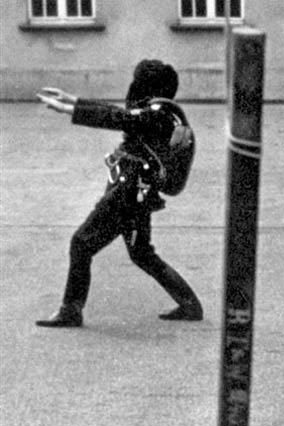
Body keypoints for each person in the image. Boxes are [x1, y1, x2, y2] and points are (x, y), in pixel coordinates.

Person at [35, 59, 202, 328]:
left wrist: (69, 109)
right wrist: (75, 101)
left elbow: (117, 117)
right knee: (142, 254)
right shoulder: (161, 112)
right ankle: (190, 305)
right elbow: (122, 116)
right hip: (138, 193)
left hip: (128, 192)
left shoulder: (156, 114)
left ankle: (71, 310)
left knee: (81, 243)